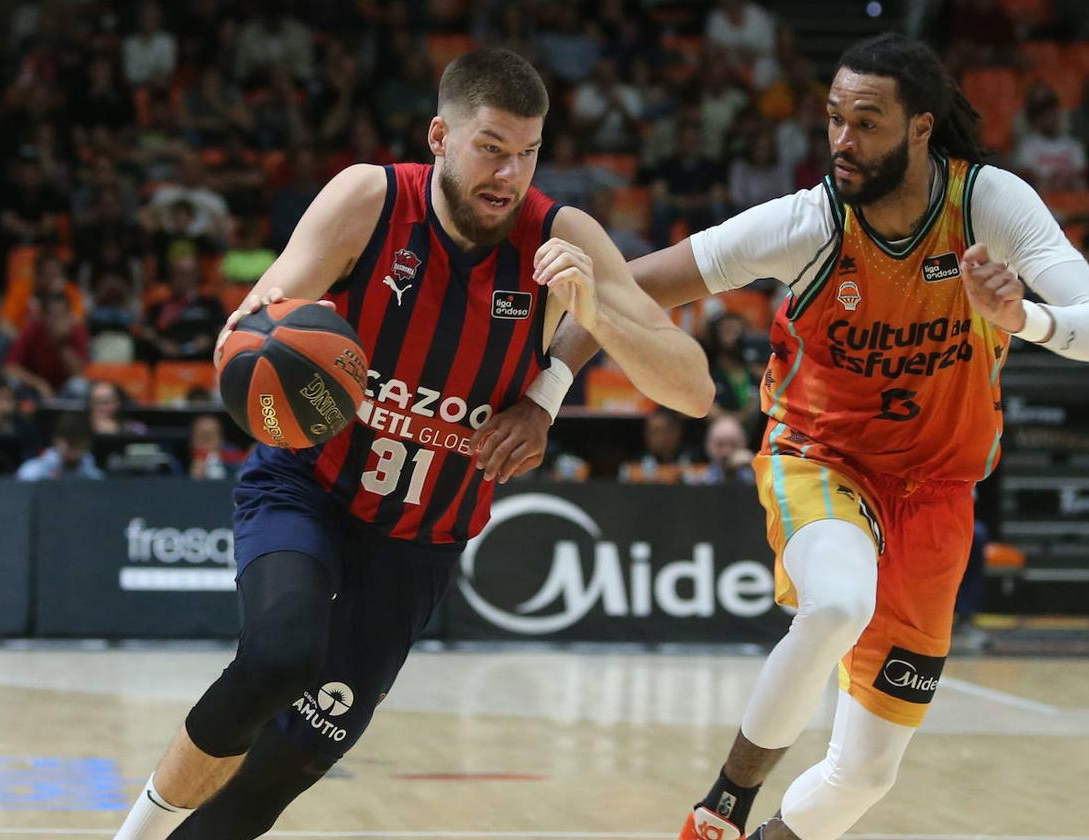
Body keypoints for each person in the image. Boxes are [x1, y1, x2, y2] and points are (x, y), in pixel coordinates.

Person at [547, 33, 1089, 840]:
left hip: (936, 494)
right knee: (836, 606)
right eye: (832, 119)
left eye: (865, 123)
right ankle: (722, 804)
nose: (841, 141)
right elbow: (626, 285)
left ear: (920, 129)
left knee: (864, 775)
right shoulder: (808, 221)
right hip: (821, 459)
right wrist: (543, 392)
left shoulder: (987, 204)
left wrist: (1021, 317)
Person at [112, 48, 712, 840]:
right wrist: (261, 344)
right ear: (439, 134)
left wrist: (586, 324)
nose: (509, 173)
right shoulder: (369, 198)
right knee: (279, 657)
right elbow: (258, 320)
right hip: (311, 487)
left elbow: (693, 389)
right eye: (491, 147)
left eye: (527, 153)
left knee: (297, 755)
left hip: (423, 532)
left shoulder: (560, 238)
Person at [16, 412, 103, 481]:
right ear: (55, 440)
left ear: (88, 444)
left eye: (79, 444)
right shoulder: (31, 473)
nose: (73, 450)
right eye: (70, 444)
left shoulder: (95, 477)